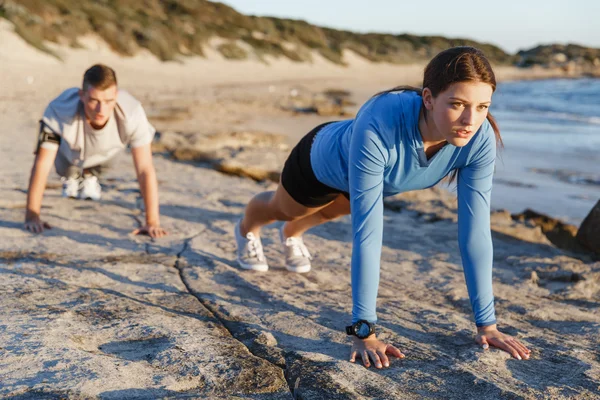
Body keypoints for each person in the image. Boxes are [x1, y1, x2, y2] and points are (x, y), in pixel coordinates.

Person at [234, 46, 531, 368]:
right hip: (320, 162)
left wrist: (487, 326)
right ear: (428, 98)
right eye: (457, 104)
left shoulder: (479, 137)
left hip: (369, 180)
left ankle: (291, 236)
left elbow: (474, 232)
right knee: (286, 210)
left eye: (482, 107)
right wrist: (364, 331)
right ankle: (247, 228)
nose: (469, 120)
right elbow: (368, 235)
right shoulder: (382, 119)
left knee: (331, 212)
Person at [24, 64, 167, 238]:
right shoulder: (58, 110)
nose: (101, 110)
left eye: (108, 101)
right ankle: (73, 177)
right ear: (82, 95)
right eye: (94, 101)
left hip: (106, 156)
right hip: (68, 156)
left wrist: (152, 222)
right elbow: (42, 165)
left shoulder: (132, 113)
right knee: (67, 169)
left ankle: (89, 175)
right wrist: (32, 215)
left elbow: (145, 168)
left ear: (117, 95)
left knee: (107, 158)